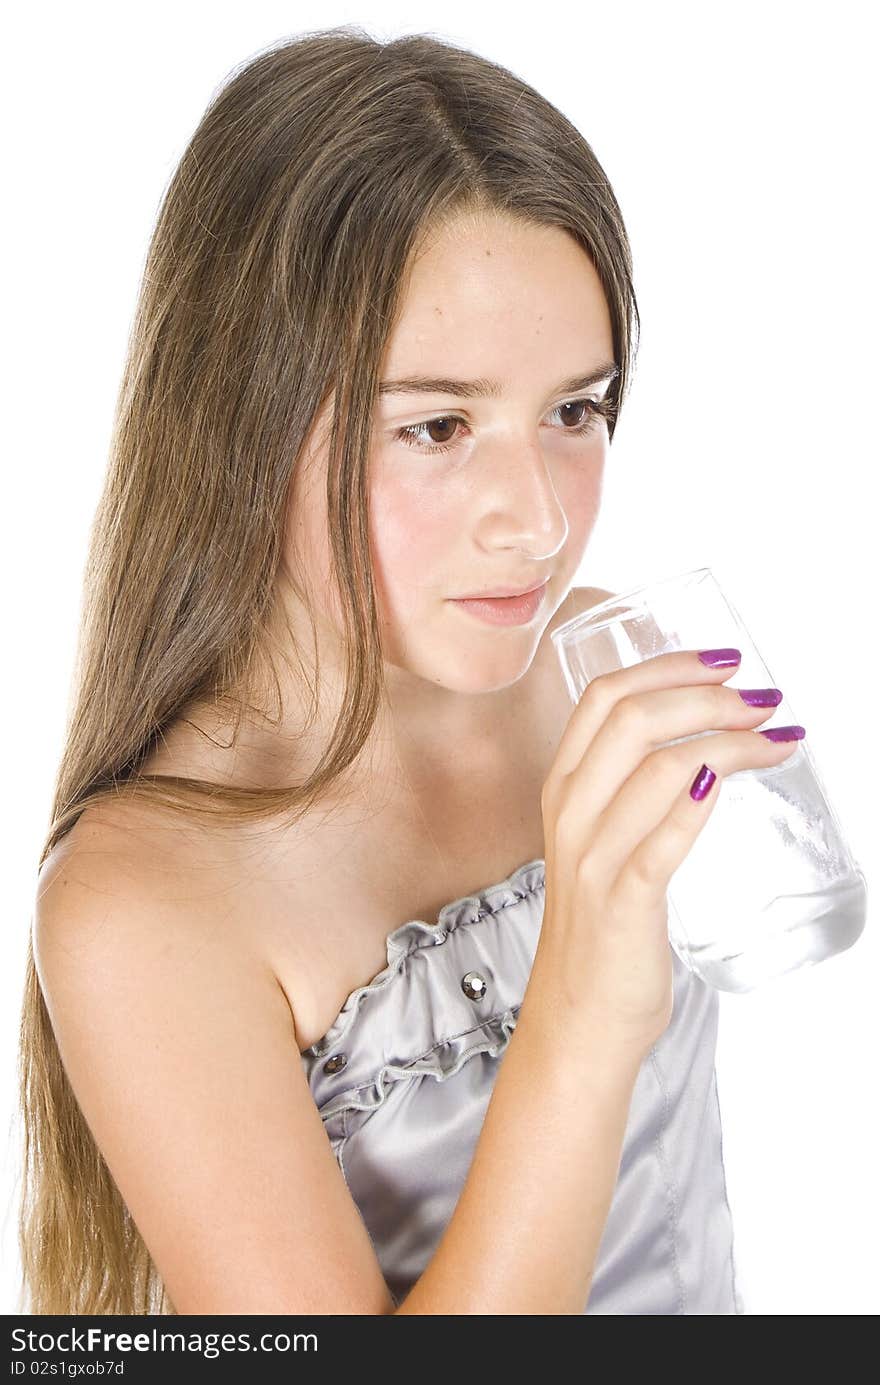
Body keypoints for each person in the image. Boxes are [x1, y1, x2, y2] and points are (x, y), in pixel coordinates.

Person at [19, 26, 801, 1316]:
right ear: (240, 419)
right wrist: (584, 1013)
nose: (536, 521)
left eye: (574, 410)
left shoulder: (599, 673)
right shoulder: (144, 902)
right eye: (437, 426)